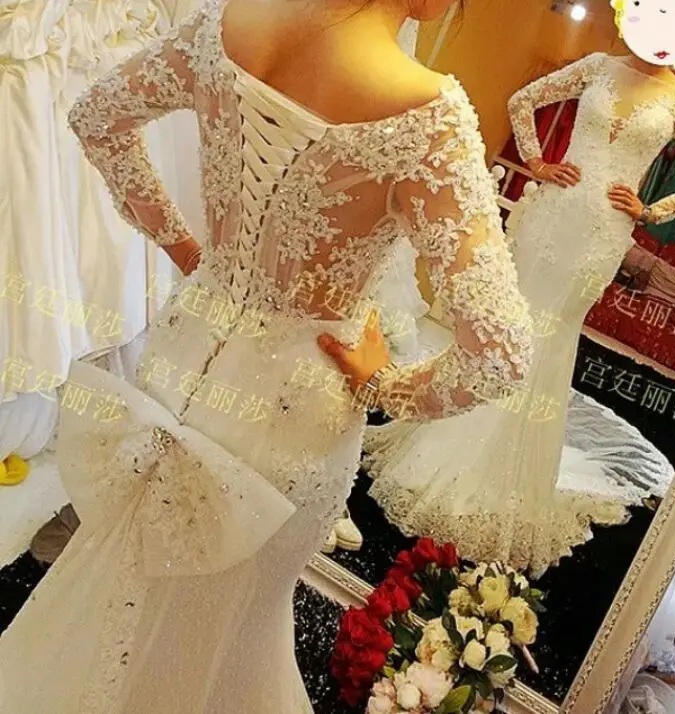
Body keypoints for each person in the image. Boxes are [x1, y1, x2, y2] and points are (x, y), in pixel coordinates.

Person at [0, 0, 532, 711]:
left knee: (129, 593)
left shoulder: (229, 21)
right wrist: (386, 387)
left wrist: (184, 247)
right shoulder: (428, 118)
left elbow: (98, 117)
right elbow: (499, 352)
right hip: (294, 416)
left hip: (178, 359)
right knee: (230, 631)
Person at [365, 27, 675, 575]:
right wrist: (537, 162)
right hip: (553, 213)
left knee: (550, 338)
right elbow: (523, 100)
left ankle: (506, 472)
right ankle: (449, 435)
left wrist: (651, 210)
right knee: (509, 322)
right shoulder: (599, 65)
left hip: (602, 234)